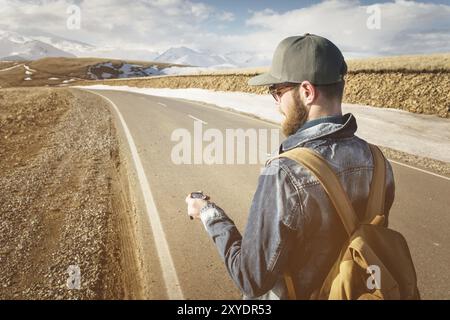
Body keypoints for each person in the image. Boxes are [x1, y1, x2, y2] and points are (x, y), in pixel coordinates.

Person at [185, 33, 395, 299]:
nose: (276, 104)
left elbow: (251, 279)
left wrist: (208, 213)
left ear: (307, 91)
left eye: (277, 92)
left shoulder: (285, 172)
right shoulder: (379, 163)